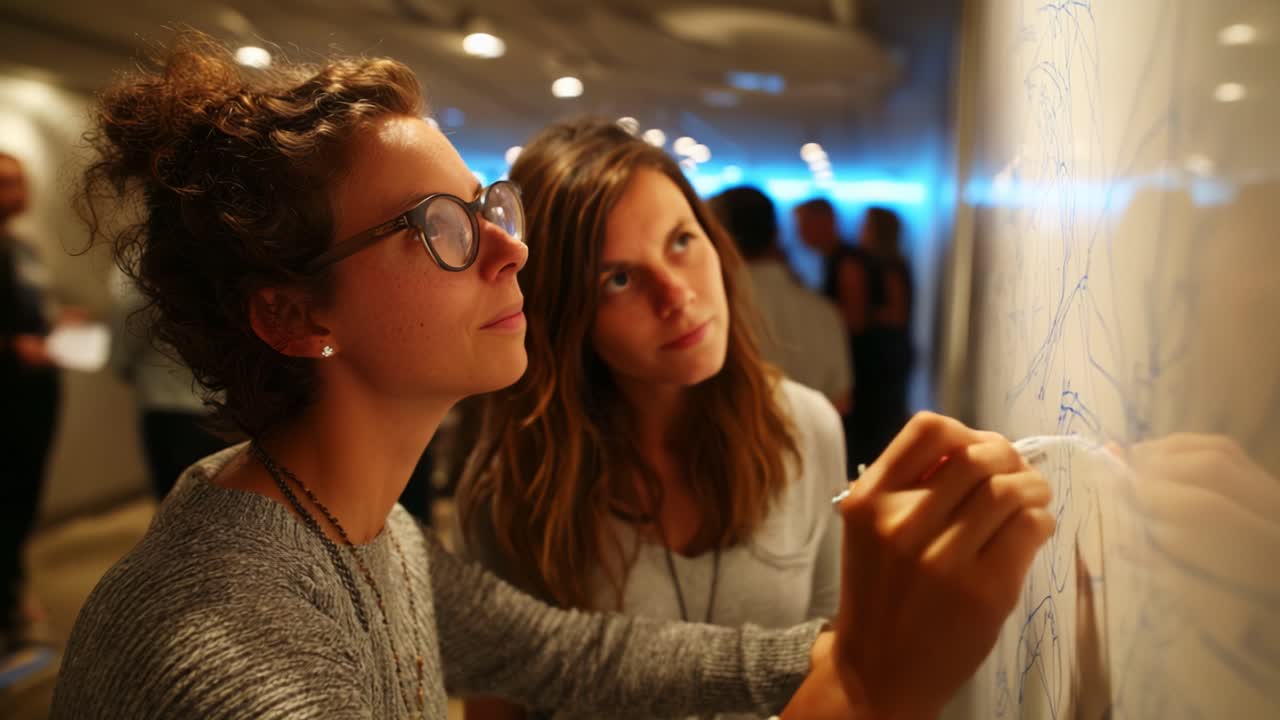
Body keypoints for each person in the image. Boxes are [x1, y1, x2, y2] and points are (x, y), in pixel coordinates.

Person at [51, 33, 1055, 719]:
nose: (510, 252)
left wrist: (866, 630)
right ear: (294, 314)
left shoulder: (364, 529)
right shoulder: (233, 650)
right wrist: (872, 681)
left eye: (484, 206)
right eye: (435, 230)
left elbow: (575, 656)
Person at [454, 123, 845, 720]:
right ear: (565, 317)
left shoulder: (806, 427)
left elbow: (831, 663)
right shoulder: (518, 484)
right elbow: (499, 705)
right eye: (619, 279)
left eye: (682, 241)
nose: (677, 295)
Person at [0, 151, 62, 679]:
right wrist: (13, 348)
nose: (14, 193)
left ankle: (16, 602)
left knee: (21, 503)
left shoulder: (21, 247)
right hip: (7, 401)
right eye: (3, 183)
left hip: (35, 399)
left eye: (18, 182)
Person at [710, 185, 852, 414]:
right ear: (776, 233)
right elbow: (841, 400)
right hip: (810, 447)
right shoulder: (825, 312)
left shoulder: (710, 311)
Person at [107, 265, 227, 499]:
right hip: (217, 402)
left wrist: (122, 364)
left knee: (179, 499)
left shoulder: (147, 273)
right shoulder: (221, 263)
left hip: (169, 405)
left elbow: (128, 333)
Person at [793, 198, 879, 469]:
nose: (799, 233)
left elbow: (853, 322)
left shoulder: (846, 261)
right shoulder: (836, 259)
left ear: (823, 222)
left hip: (864, 377)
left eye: (802, 224)